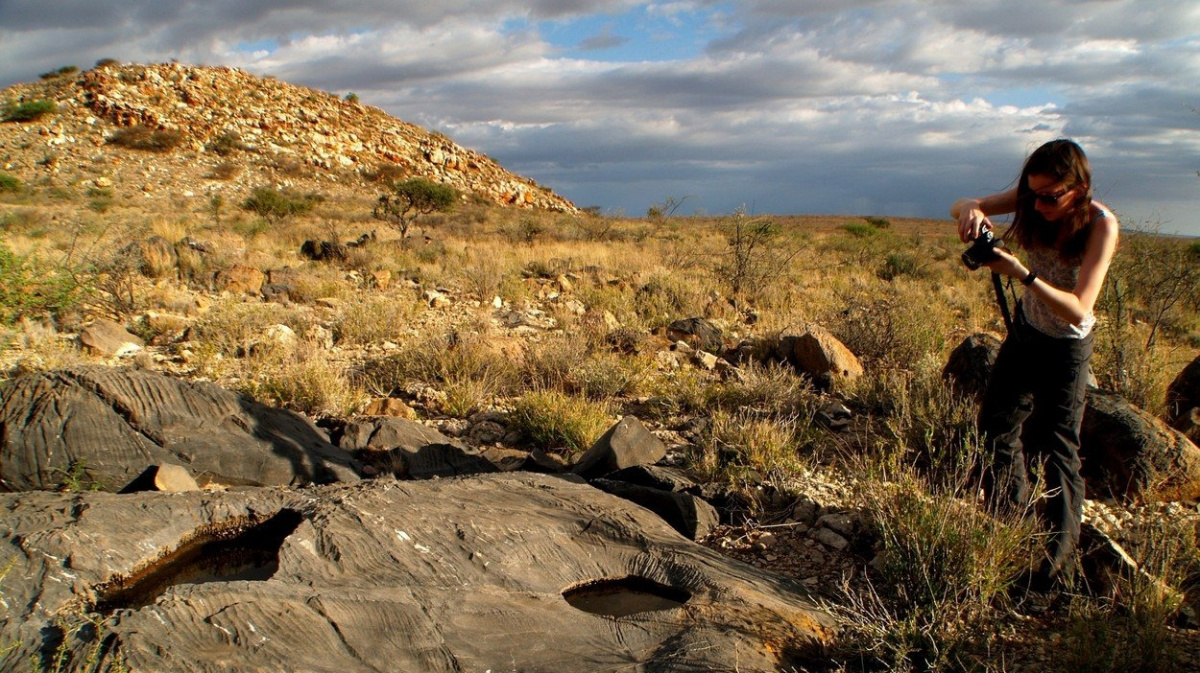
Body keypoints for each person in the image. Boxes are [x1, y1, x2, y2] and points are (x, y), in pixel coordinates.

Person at [950, 138, 1119, 591]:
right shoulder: (1033, 199)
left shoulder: (1101, 226)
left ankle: (1051, 573)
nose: (1039, 204)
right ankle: (1011, 526)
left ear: (1079, 188)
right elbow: (964, 204)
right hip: (1026, 332)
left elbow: (1081, 309)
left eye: (1051, 196)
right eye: (1033, 193)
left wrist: (1022, 274)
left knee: (1057, 449)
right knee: (996, 427)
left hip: (1066, 347)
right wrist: (972, 210)